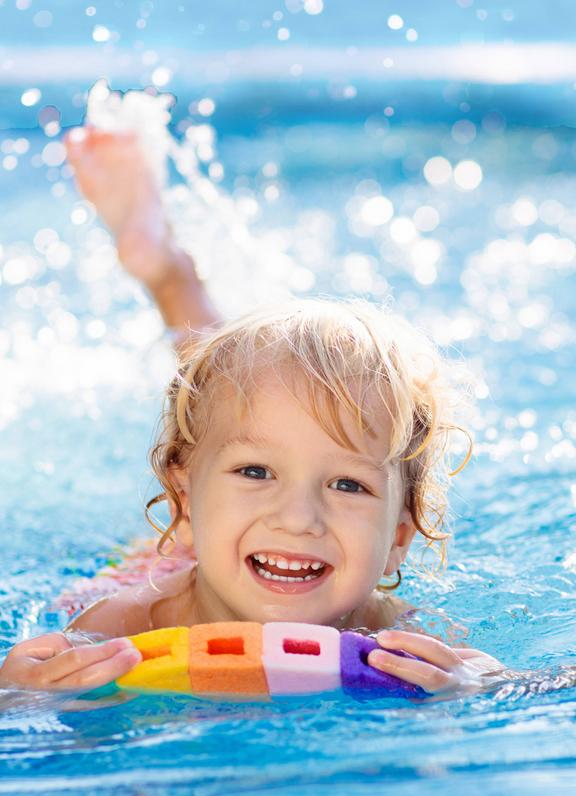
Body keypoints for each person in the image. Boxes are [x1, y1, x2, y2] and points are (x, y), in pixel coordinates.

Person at [0, 127, 503, 698]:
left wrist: (475, 683)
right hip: (165, 561)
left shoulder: (400, 634)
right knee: (217, 395)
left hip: (228, 535)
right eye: (256, 472)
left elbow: (527, 686)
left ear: (399, 537)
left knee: (234, 409)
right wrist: (23, 691)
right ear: (182, 502)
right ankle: (167, 269)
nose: (298, 519)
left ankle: (169, 271)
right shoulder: (123, 625)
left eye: (348, 484)